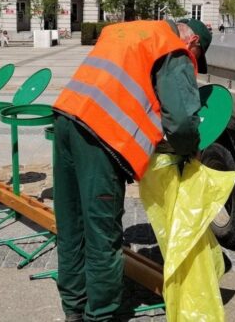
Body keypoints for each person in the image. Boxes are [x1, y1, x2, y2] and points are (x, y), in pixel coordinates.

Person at [51, 18, 210, 322]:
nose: (193, 64)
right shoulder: (172, 47)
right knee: (102, 234)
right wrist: (189, 150)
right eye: (197, 60)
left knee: (72, 225)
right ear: (193, 44)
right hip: (100, 136)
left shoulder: (132, 30)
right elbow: (182, 121)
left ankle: (73, 308)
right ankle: (100, 316)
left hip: (65, 118)